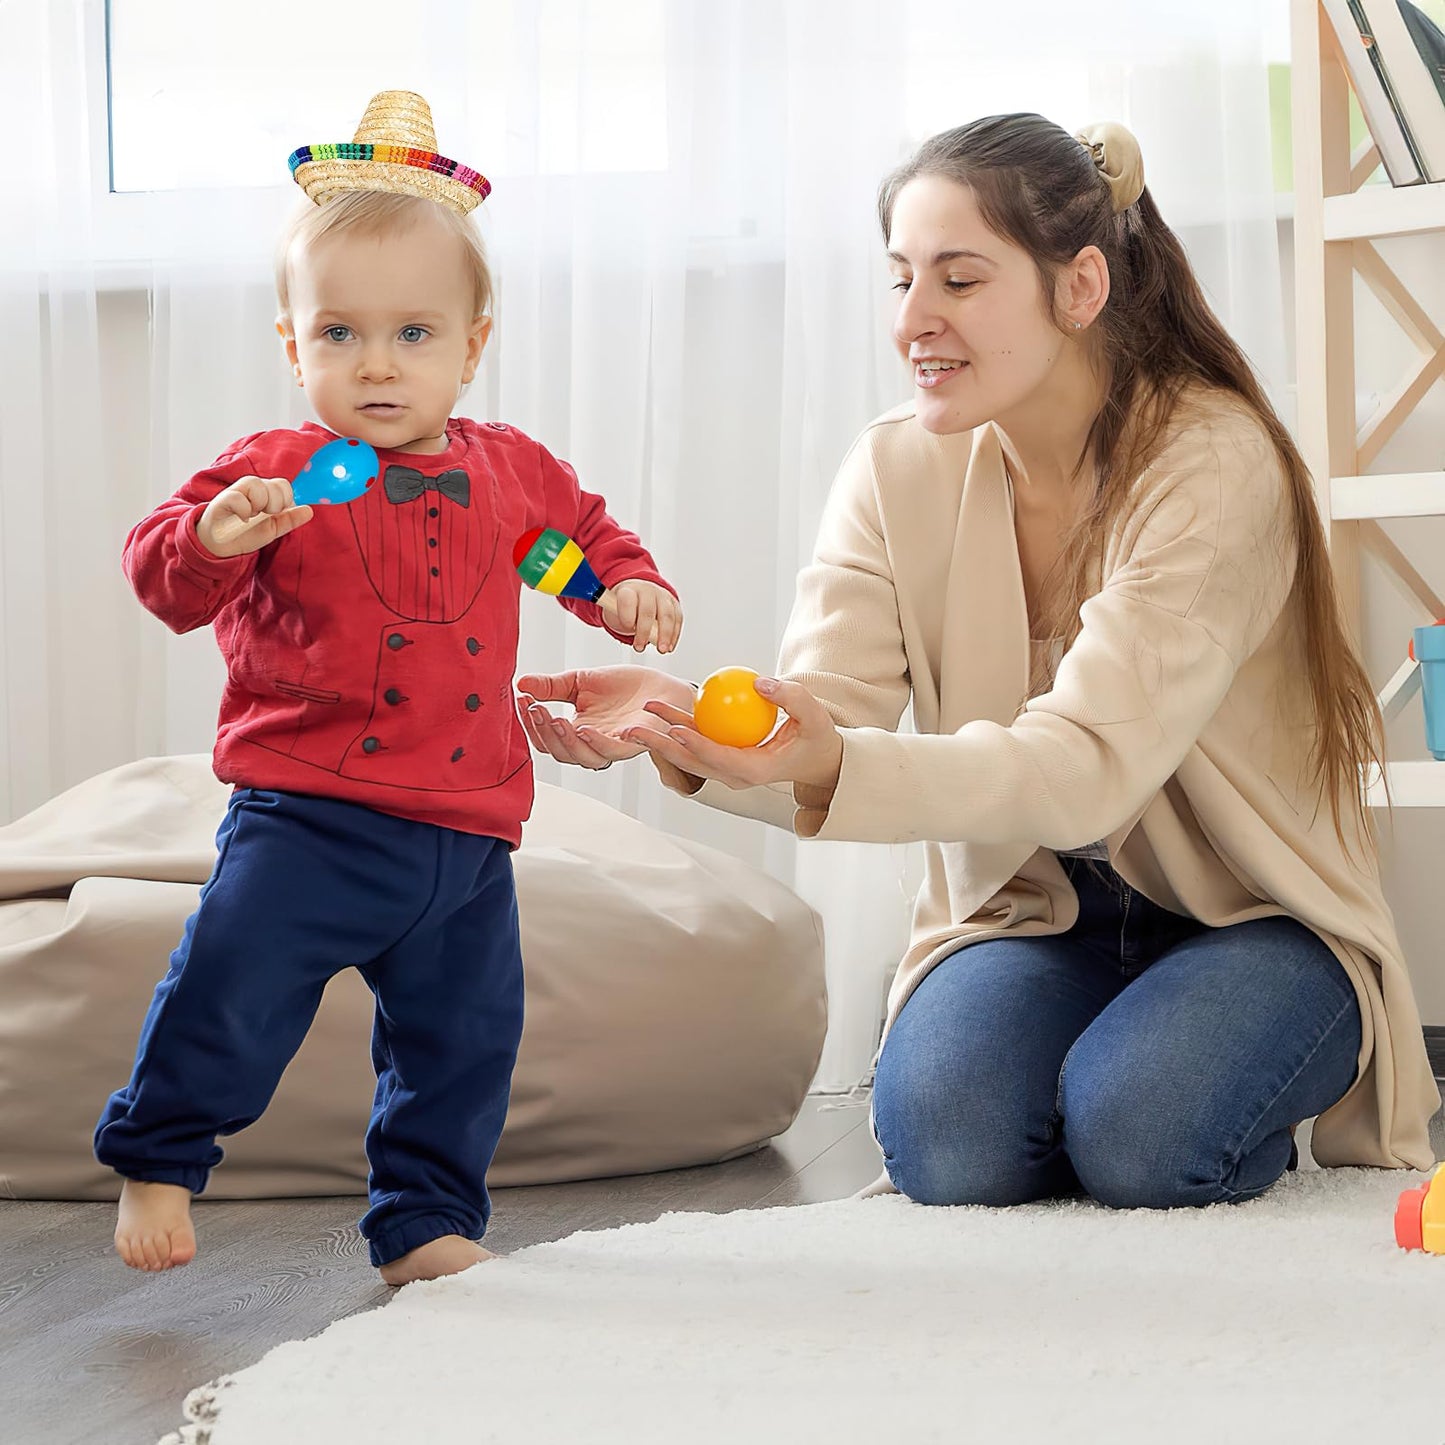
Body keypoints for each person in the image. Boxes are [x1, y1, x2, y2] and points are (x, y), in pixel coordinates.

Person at [518, 113, 1440, 1211]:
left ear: (1079, 286)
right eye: (899, 278)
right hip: (1032, 909)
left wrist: (823, 758)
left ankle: (1169, 1082)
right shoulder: (893, 465)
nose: (913, 320)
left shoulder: (1212, 463)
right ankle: (1109, 1074)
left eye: (958, 279)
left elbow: (1082, 762)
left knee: (1142, 1139)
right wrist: (688, 720)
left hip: (1250, 918)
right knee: (950, 1148)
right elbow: (823, 715)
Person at [95, 91, 682, 1284]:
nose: (376, 364)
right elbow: (165, 581)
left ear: (471, 345)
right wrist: (217, 531)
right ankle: (158, 1152)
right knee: (229, 981)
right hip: (307, 817)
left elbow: (564, 551)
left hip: (467, 832)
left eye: (414, 334)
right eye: (340, 335)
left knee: (463, 1042)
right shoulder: (277, 473)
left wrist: (623, 586)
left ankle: (423, 1223)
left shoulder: (509, 476)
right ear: (292, 343)